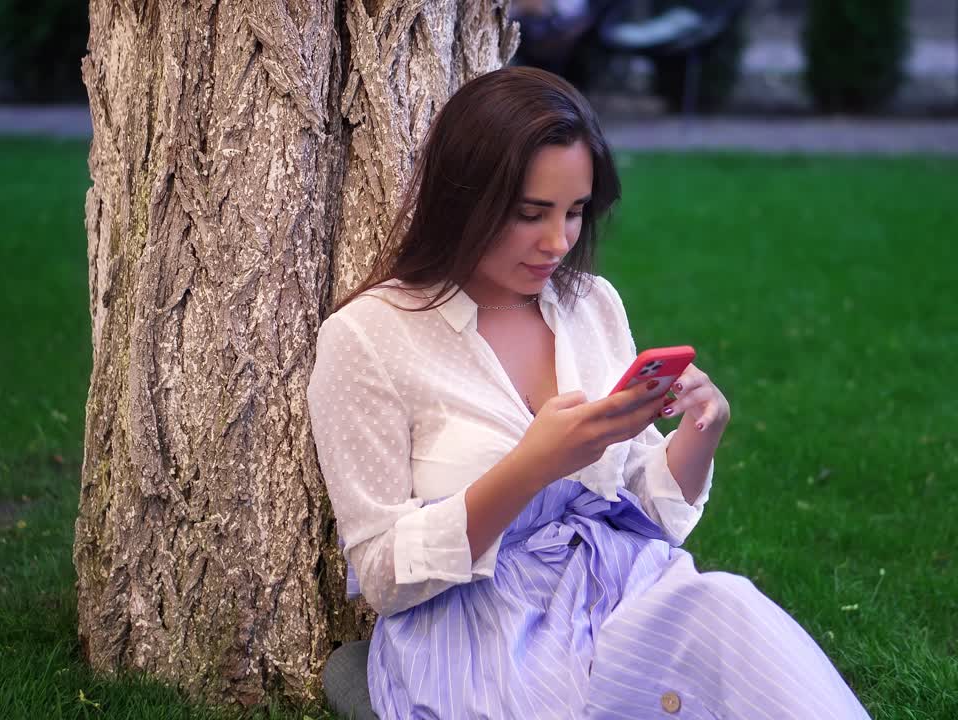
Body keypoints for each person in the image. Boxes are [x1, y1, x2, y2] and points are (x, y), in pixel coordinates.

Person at [307, 66, 870, 719]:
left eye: (575, 212)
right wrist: (532, 466)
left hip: (619, 589)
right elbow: (381, 575)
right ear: (463, 200)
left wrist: (700, 433)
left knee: (731, 610)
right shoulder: (369, 337)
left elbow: (647, 513)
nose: (559, 242)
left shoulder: (591, 307)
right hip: (479, 630)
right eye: (530, 214)